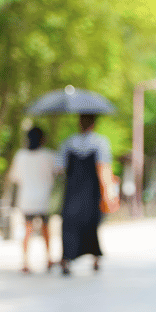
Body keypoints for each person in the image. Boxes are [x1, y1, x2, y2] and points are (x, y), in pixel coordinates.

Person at [55, 114, 119, 276]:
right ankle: (95, 258)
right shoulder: (100, 142)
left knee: (69, 225)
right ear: (93, 124)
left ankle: (67, 259)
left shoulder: (68, 142)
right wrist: (108, 195)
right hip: (91, 192)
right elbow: (103, 169)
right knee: (91, 224)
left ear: (79, 124)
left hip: (72, 191)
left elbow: (59, 168)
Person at [7, 126, 56, 273]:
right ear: (43, 139)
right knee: (46, 228)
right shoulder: (49, 155)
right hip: (44, 197)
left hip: (27, 197)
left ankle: (25, 261)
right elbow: (58, 172)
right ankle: (48, 258)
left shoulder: (20, 155)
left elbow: (14, 177)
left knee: (27, 229)